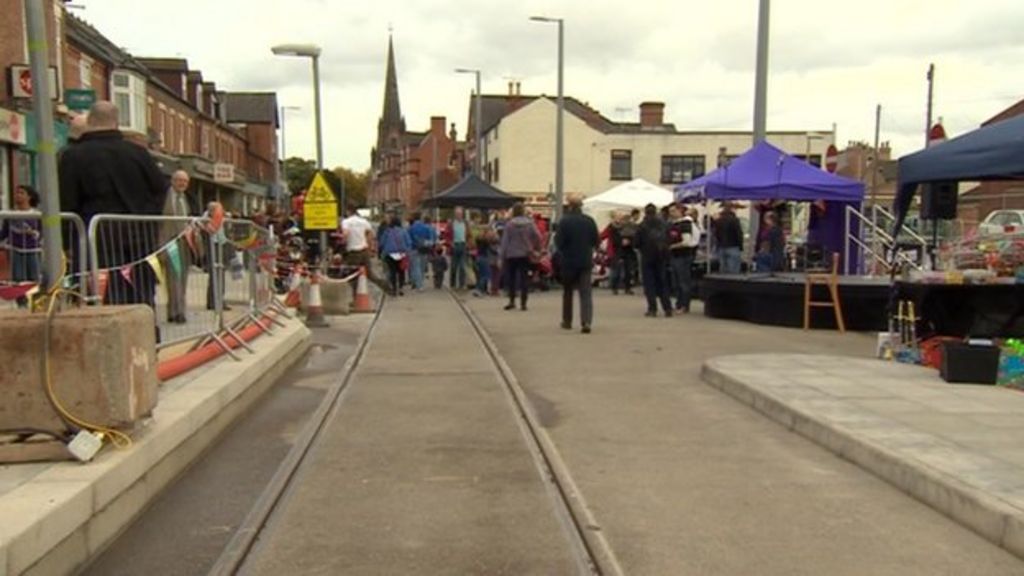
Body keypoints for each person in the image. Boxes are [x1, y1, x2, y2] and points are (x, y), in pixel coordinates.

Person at [59, 101, 167, 307]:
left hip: (95, 240)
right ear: (117, 122)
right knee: (140, 296)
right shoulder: (138, 153)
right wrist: (149, 220)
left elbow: (67, 202)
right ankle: (145, 335)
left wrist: (67, 241)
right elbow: (160, 188)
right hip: (140, 240)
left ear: (90, 121)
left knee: (101, 298)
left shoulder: (73, 156)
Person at [555, 196, 599, 333]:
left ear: (569, 206)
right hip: (585, 260)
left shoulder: (564, 222)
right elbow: (596, 241)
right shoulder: (589, 221)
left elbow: (559, 242)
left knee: (567, 292)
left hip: (568, 261)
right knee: (585, 292)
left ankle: (567, 321)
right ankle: (586, 321)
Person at [158, 170, 193, 323]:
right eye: (179, 180)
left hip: (185, 242)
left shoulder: (185, 198)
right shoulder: (165, 197)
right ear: (172, 180)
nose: (182, 184)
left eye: (185, 181)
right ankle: (176, 312)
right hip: (170, 241)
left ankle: (179, 309)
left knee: (182, 277)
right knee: (173, 277)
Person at [0, 185, 42, 307]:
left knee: (34, 277)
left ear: (29, 197)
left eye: (21, 193)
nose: (18, 195)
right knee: (18, 278)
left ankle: (36, 302)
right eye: (17, 193)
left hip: (33, 250)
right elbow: (4, 232)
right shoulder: (10, 214)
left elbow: (50, 225)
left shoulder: (37, 214)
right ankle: (22, 304)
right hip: (15, 250)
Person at [499, 203, 542, 311]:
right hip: (525, 253)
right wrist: (535, 247)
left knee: (511, 278)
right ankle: (523, 303)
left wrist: (501, 256)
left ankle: (512, 301)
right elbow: (538, 236)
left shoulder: (509, 225)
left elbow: (505, 241)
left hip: (511, 254)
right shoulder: (530, 224)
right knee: (524, 279)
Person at [637, 203, 673, 317]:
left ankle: (652, 309)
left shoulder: (642, 225)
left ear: (645, 212)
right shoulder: (664, 224)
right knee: (662, 282)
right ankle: (668, 308)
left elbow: (636, 243)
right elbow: (669, 239)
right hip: (661, 256)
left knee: (649, 284)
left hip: (647, 256)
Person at [341, 209, 389, 293]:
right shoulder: (364, 221)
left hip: (353, 251)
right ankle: (384, 285)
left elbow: (345, 233)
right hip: (364, 250)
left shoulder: (346, 222)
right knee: (370, 274)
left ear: (348, 212)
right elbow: (371, 235)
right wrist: (370, 247)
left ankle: (356, 297)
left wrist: (343, 242)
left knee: (351, 275)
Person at [668, 205, 702, 313]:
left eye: (673, 211)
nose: (671, 213)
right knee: (676, 282)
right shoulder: (674, 224)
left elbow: (686, 242)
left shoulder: (685, 224)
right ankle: (679, 304)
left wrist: (671, 246)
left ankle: (684, 305)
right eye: (670, 211)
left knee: (683, 281)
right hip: (676, 256)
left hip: (683, 256)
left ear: (680, 211)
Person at [379, 216, 411, 296]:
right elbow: (409, 242)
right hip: (401, 253)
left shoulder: (387, 232)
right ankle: (401, 287)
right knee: (401, 271)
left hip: (390, 254)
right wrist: (407, 251)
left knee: (392, 271)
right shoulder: (404, 231)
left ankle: (394, 288)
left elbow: (382, 243)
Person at [407, 212, 437, 291]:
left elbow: (408, 240)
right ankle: (420, 283)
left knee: (415, 267)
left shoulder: (411, 228)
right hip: (424, 249)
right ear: (420, 218)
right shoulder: (426, 227)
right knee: (422, 267)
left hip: (414, 249)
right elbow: (431, 240)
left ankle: (418, 284)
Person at [714, 202, 744, 274]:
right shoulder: (735, 220)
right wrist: (741, 246)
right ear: (732, 209)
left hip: (721, 247)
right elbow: (739, 234)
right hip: (733, 246)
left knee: (723, 269)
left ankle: (723, 284)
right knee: (733, 271)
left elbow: (716, 234)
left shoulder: (718, 220)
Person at [445, 207, 469, 290]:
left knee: (462, 266)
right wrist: (450, 243)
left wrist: (468, 243)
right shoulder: (451, 224)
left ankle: (462, 284)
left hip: (463, 245)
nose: (459, 215)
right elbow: (446, 235)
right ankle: (453, 284)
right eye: (457, 214)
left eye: (460, 213)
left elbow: (469, 234)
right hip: (454, 245)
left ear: (462, 214)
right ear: (455, 214)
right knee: (454, 266)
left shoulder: (465, 223)